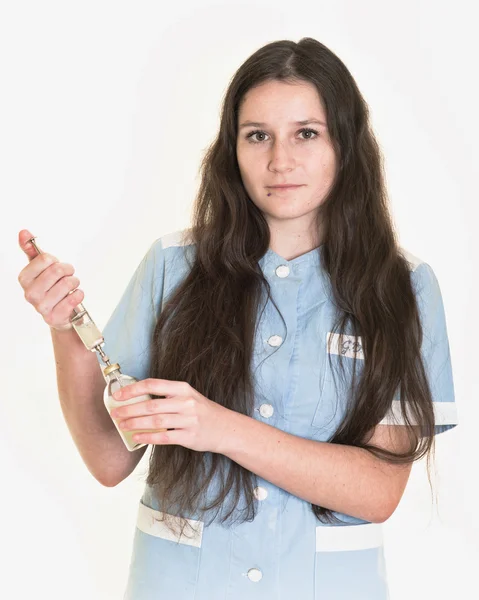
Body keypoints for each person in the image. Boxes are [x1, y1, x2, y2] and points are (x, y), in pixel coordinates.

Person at [18, 37, 458, 600]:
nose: (281, 160)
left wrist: (218, 427)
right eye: (258, 136)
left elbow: (378, 492)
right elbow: (109, 458)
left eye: (307, 133)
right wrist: (65, 329)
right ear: (232, 149)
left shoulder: (404, 287)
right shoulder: (172, 266)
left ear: (345, 144)